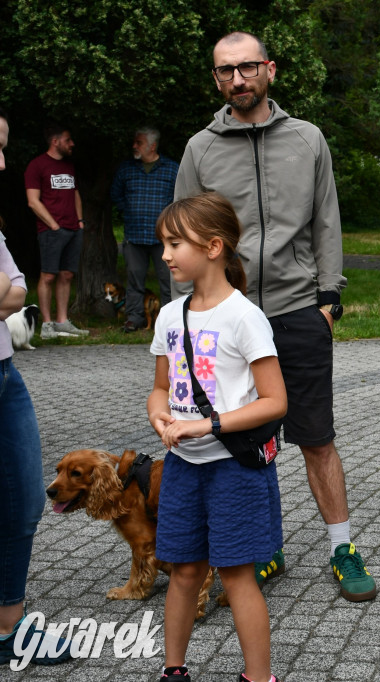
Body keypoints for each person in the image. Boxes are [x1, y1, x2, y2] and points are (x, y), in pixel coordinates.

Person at [175, 31, 376, 602]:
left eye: (246, 68)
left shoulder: (308, 140)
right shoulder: (201, 149)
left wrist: (328, 300)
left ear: (270, 70)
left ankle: (342, 546)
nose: (236, 80)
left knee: (316, 438)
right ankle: (263, 548)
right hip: (226, 318)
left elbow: (326, 223)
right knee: (243, 443)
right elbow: (180, 234)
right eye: (224, 72)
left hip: (296, 311)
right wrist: (184, 315)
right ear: (216, 79)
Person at [148, 193, 286, 682]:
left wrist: (205, 424)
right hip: (185, 466)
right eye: (164, 243)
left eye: (174, 243)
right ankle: (174, 670)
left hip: (234, 468)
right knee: (183, 571)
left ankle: (258, 677)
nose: (165, 254)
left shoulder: (244, 317)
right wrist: (161, 416)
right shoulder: (169, 316)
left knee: (236, 575)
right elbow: (161, 388)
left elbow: (274, 401)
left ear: (212, 246)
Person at [0, 107, 72, 668]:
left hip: (5, 372)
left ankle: (8, 626)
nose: (2, 161)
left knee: (25, 500)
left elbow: (12, 291)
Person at [23, 123, 88, 339]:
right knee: (48, 276)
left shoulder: (69, 166)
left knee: (67, 275)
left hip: (72, 228)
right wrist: (52, 224)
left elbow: (75, 193)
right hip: (51, 231)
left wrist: (79, 221)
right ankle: (47, 325)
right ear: (55, 141)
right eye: (68, 140)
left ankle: (62, 321)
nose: (72, 144)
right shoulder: (37, 165)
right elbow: (33, 201)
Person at [110, 126, 178, 332]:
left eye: (138, 142)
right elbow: (116, 194)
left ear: (152, 145)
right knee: (134, 280)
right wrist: (129, 211)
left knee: (168, 280)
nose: (134, 146)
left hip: (163, 238)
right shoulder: (127, 168)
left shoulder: (172, 169)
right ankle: (134, 318)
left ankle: (170, 320)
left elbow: (181, 198)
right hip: (134, 234)